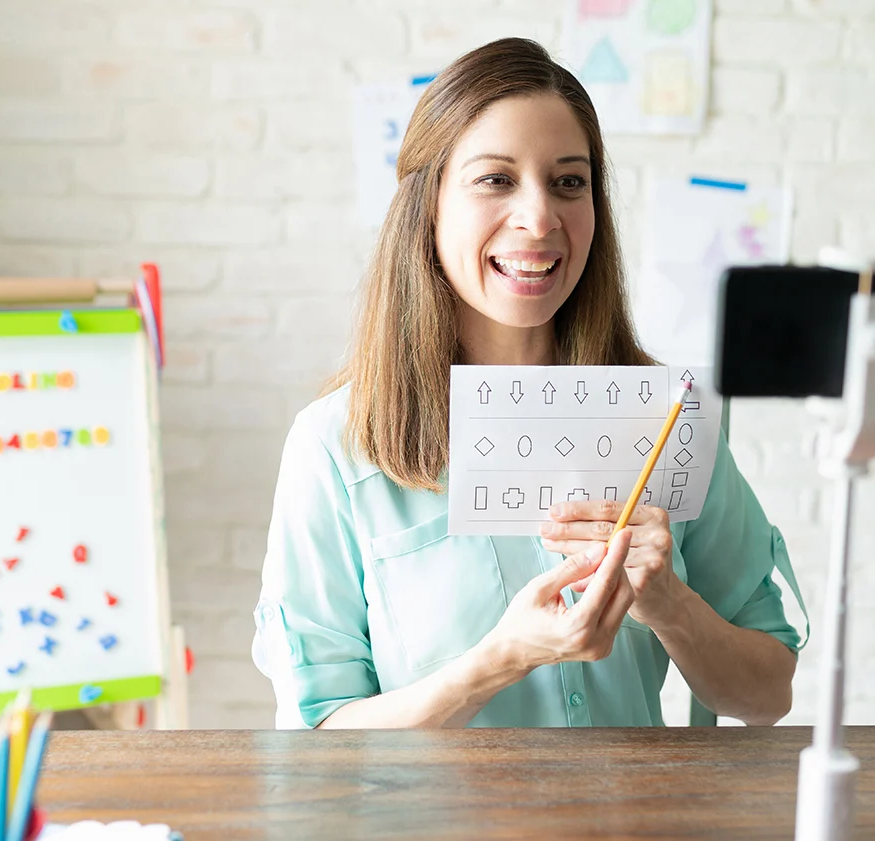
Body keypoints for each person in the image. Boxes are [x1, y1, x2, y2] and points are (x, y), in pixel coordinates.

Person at [250, 37, 806, 730]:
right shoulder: (336, 446)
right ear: (429, 206)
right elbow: (317, 738)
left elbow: (765, 696)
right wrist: (501, 660)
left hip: (633, 837)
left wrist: (670, 604)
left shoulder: (665, 421)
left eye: (569, 182)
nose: (540, 219)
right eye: (495, 179)